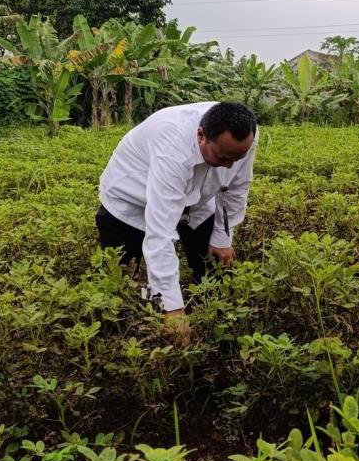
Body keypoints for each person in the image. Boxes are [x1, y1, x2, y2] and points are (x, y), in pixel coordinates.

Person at [96, 101, 258, 342]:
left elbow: (236, 188)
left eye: (237, 157)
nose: (229, 165)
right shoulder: (172, 145)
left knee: (210, 270)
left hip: (197, 203)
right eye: (222, 156)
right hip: (131, 201)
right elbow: (161, 232)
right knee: (116, 283)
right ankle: (121, 336)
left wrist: (222, 238)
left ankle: (208, 329)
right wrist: (172, 309)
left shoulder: (246, 136)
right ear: (201, 135)